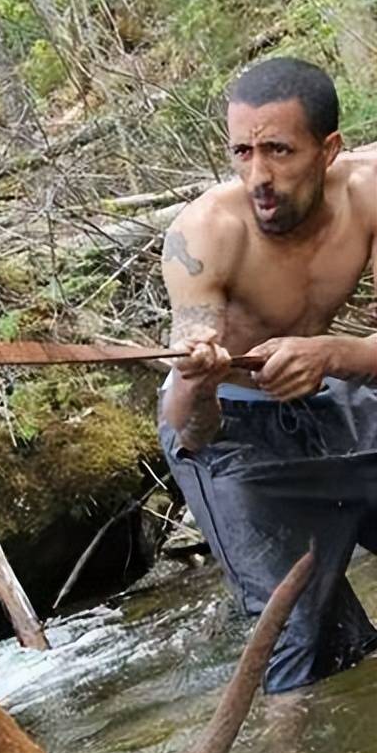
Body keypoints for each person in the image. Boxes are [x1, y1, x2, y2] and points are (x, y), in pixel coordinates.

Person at [159, 57, 377, 693]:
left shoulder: (369, 193)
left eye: (279, 150)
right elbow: (187, 429)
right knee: (300, 636)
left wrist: (333, 355)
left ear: (328, 149)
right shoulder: (204, 234)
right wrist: (196, 381)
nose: (259, 175)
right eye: (242, 151)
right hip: (231, 430)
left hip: (329, 390)